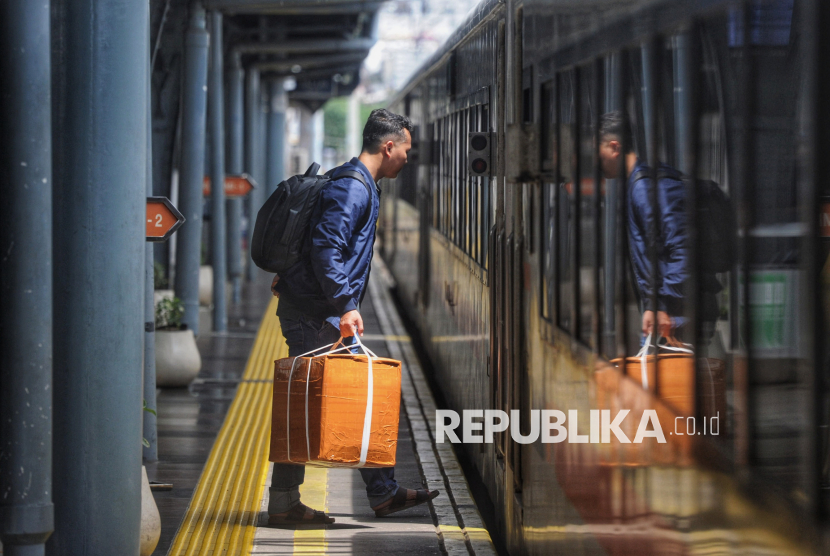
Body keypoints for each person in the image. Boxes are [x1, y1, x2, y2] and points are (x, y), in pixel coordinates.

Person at [267, 108, 439, 527]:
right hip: (314, 313)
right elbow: (327, 247)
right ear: (388, 145)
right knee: (312, 404)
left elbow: (319, 243)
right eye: (406, 150)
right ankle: (289, 503)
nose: (407, 158)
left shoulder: (355, 181)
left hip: (313, 308)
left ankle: (381, 492)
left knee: (343, 394)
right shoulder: (354, 189)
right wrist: (346, 305)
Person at [598, 111, 689, 340]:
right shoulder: (639, 182)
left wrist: (662, 305)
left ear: (614, 147)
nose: (597, 163)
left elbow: (682, 247)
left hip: (673, 313)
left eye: (599, 156)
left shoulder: (643, 188)